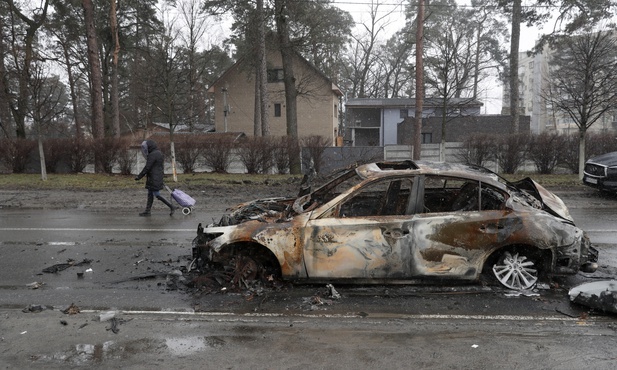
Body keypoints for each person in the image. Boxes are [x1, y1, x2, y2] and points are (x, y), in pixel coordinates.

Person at [134, 139, 175, 216]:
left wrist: (139, 176)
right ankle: (147, 211)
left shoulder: (152, 155)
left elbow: (147, 167)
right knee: (150, 194)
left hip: (153, 177)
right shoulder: (158, 153)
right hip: (156, 176)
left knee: (156, 194)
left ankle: (171, 206)